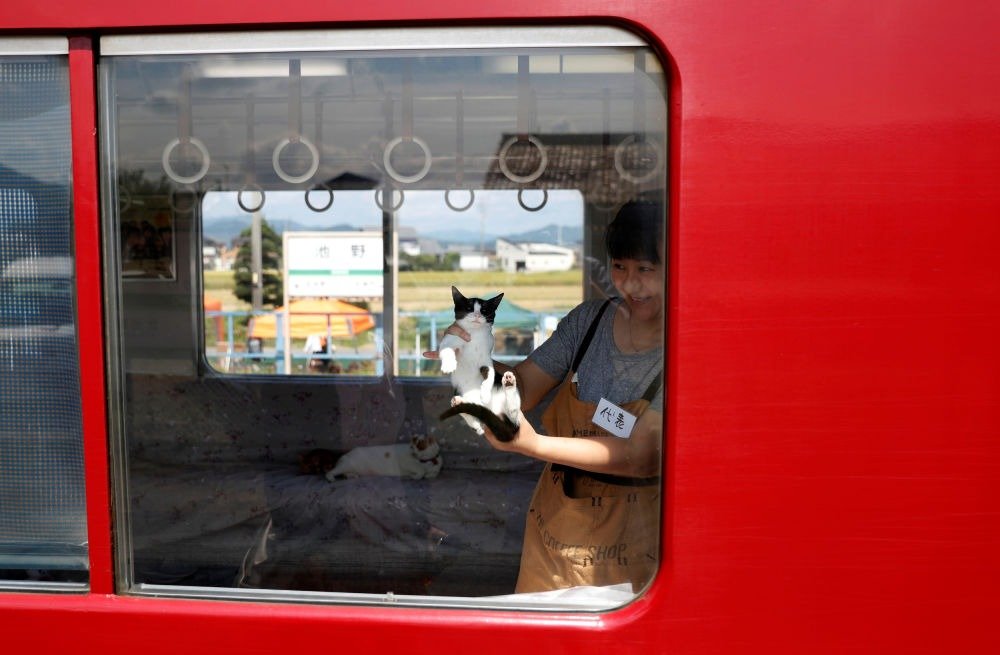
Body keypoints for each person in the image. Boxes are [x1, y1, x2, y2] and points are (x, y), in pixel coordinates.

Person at [427, 200, 664, 594]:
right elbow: (522, 385)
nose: (630, 283)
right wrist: (474, 358)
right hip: (555, 531)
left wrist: (534, 445)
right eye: (620, 267)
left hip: (635, 541)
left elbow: (641, 454)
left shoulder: (686, 343)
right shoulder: (589, 321)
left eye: (646, 269)